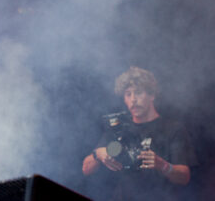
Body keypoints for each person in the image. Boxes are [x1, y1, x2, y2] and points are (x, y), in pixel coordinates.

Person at [82, 67, 197, 200]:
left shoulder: (173, 129)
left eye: (138, 93)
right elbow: (86, 170)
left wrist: (162, 165)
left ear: (152, 95)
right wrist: (97, 154)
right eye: (128, 94)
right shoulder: (118, 128)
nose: (133, 99)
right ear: (124, 99)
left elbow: (184, 177)